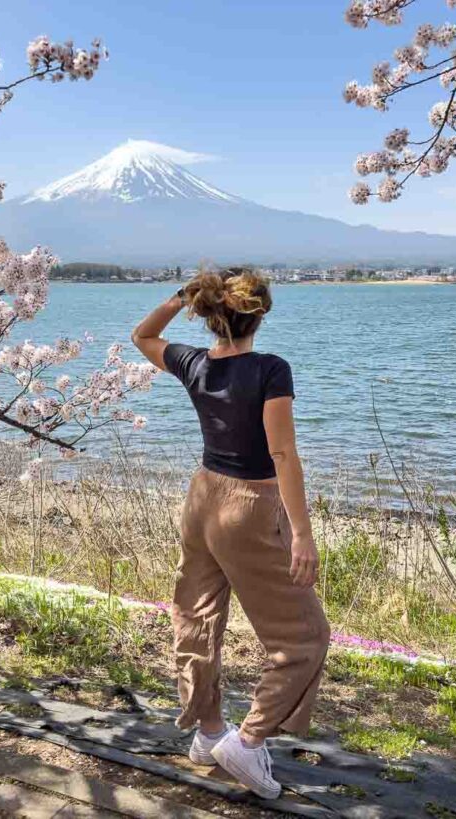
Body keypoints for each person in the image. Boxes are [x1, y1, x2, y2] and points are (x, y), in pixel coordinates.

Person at [131, 267, 331, 800]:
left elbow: (142, 336)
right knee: (304, 637)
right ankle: (247, 739)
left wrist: (180, 296)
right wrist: (302, 534)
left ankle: (208, 729)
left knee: (196, 615)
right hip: (249, 505)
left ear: (211, 314)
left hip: (202, 498)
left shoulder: (194, 363)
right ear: (259, 314)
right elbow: (283, 453)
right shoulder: (270, 369)